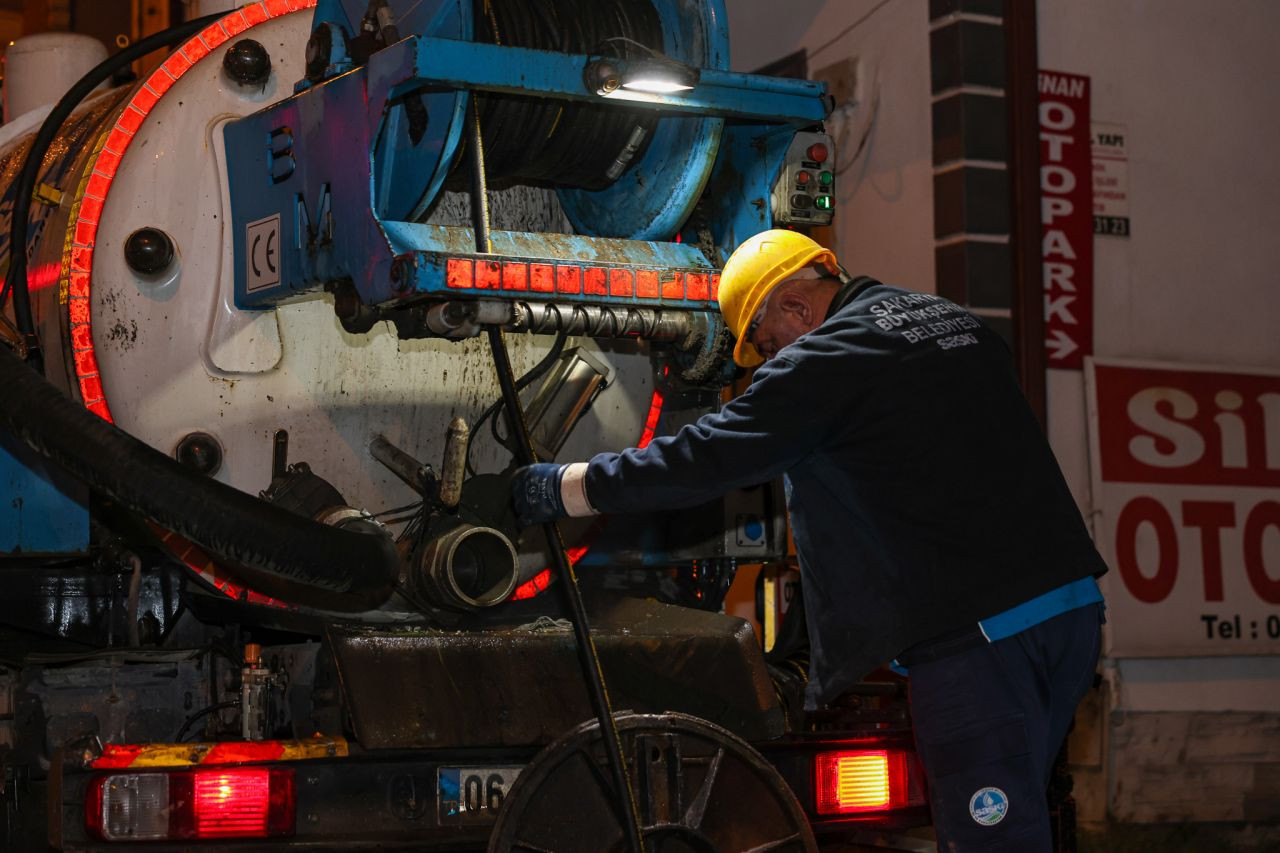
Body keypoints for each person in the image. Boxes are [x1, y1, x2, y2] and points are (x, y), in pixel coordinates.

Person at [511, 229, 1107, 852]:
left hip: (977, 642)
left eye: (767, 346)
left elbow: (705, 457)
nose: (769, 365)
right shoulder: (953, 322)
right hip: (1068, 613)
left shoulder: (825, 361)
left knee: (992, 842)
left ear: (795, 307)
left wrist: (570, 487)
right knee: (1021, 824)